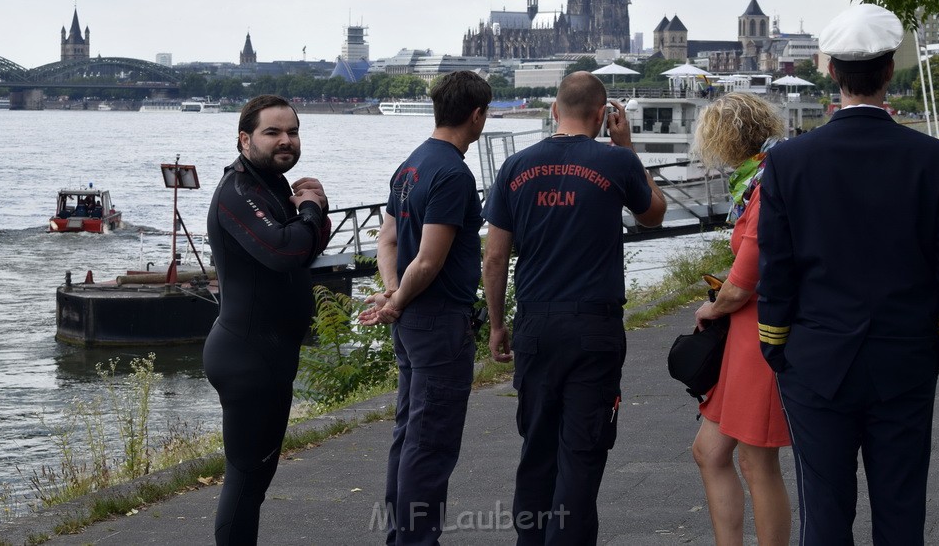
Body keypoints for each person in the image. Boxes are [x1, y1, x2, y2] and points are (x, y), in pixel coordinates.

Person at [757, 3, 939, 545]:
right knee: (902, 511)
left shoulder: (789, 161)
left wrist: (778, 347)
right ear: (889, 72)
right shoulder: (933, 160)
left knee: (825, 513)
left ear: (830, 71)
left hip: (816, 360)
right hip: (904, 358)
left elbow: (777, 271)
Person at [482, 71, 667, 545]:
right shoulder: (614, 162)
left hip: (536, 324)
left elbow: (496, 256)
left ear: (553, 110)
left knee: (536, 450)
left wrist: (498, 324)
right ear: (603, 115)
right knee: (581, 456)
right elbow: (654, 214)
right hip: (594, 325)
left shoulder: (514, 168)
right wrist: (626, 146)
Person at [358, 70, 491, 545]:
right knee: (431, 442)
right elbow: (430, 260)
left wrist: (393, 294)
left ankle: (401, 535)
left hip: (412, 323)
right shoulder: (453, 173)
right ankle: (415, 540)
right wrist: (400, 299)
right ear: (477, 115)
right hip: (438, 322)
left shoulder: (409, 166)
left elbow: (388, 240)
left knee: (409, 433)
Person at [203, 94, 331, 544]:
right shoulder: (238, 192)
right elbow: (285, 251)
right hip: (247, 355)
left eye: (292, 132)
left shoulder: (271, 185)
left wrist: (315, 206)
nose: (285, 140)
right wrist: (311, 208)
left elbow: (306, 246)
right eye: (272, 132)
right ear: (244, 138)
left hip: (270, 353)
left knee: (256, 483)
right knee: (245, 482)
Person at [689, 93, 791, 545]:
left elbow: (743, 283)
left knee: (756, 461)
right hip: (745, 338)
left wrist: (711, 306)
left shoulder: (764, 189)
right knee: (710, 451)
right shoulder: (760, 180)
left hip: (759, 338)